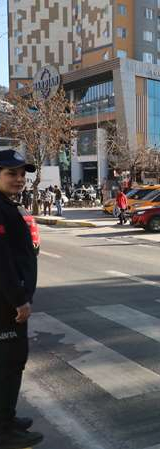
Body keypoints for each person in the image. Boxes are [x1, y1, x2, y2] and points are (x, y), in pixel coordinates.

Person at [0, 150, 43, 448]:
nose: (19, 179)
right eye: (10, 173)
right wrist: (19, 299)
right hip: (5, 307)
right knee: (9, 364)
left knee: (12, 364)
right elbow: (1, 261)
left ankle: (7, 418)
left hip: (9, 302)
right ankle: (4, 431)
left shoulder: (6, 206)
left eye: (21, 174)